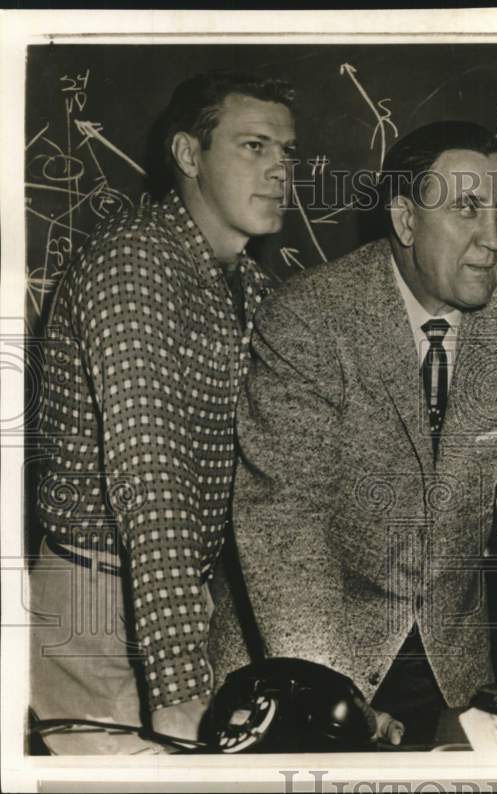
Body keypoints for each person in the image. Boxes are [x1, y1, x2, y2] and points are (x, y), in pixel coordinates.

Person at [209, 121, 497, 745]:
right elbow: (286, 523)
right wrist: (332, 700)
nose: (493, 238)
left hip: (455, 667)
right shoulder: (310, 316)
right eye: (466, 208)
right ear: (406, 221)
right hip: (305, 655)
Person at [30, 71, 296, 752]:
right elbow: (152, 483)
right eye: (254, 147)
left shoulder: (249, 287)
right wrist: (181, 686)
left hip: (179, 597)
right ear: (188, 154)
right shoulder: (134, 265)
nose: (279, 172)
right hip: (98, 603)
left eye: (287, 153)